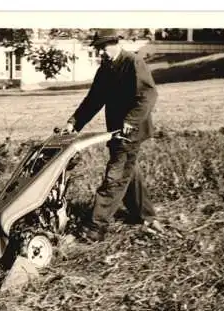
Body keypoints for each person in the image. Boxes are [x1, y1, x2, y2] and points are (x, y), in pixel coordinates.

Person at [64, 35, 163, 242]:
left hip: (132, 130)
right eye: (97, 48)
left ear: (116, 43)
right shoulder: (105, 69)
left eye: (103, 47)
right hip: (117, 130)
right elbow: (93, 100)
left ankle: (95, 228)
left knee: (115, 176)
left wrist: (131, 120)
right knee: (128, 171)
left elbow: (148, 95)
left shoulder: (132, 62)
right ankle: (145, 215)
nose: (99, 52)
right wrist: (74, 123)